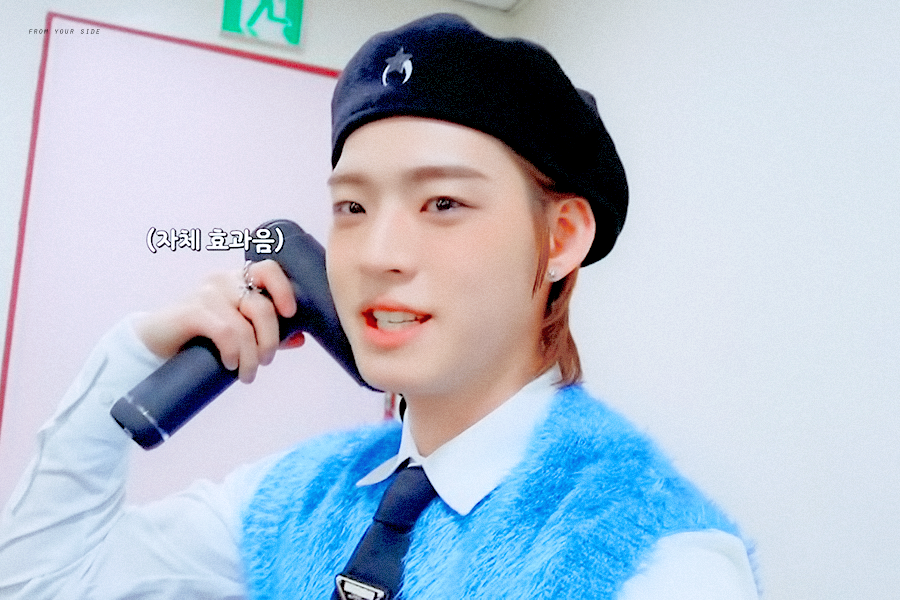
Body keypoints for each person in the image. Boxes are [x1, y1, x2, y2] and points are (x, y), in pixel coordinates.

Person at [0, 13, 758, 600]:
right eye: (353, 208)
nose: (376, 254)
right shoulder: (294, 500)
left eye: (443, 203)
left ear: (559, 239)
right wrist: (132, 356)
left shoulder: (657, 560)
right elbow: (45, 581)